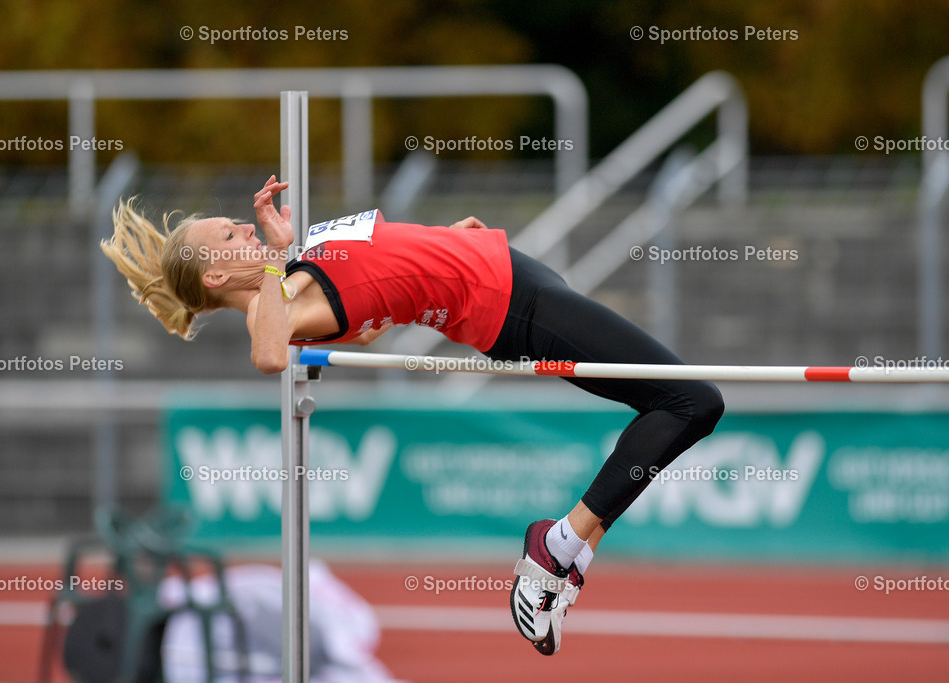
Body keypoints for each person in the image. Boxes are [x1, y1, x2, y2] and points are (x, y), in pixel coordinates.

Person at [101, 176, 724, 656]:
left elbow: (374, 309)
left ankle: (570, 552)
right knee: (692, 402)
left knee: (671, 405)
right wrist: (275, 262)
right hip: (510, 305)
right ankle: (556, 545)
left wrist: (439, 247)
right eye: (230, 235)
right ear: (217, 272)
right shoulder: (283, 300)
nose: (245, 226)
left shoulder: (290, 281)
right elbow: (268, 354)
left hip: (503, 268)